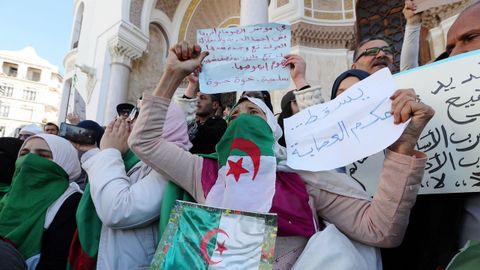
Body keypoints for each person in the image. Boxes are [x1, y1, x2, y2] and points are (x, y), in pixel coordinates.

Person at [129, 41, 435, 268]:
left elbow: (380, 230)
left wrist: (402, 148)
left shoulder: (303, 177)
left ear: (273, 132)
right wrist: (171, 75)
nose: (244, 120)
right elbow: (145, 141)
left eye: (254, 114)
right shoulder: (204, 172)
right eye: (235, 116)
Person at [67, 103, 191, 270]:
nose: (126, 122)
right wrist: (93, 152)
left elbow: (117, 210)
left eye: (136, 117)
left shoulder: (173, 165)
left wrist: (109, 152)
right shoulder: (127, 161)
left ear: (158, 126)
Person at [0, 134, 82, 269]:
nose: (28, 160)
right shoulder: (10, 195)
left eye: (43, 156)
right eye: (24, 154)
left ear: (64, 161)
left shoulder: (71, 203)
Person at [174, 73, 227, 154]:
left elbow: (188, 127)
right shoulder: (197, 123)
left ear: (215, 105)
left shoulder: (220, 125)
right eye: (196, 97)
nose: (197, 101)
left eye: (203, 98)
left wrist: (192, 85)